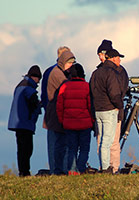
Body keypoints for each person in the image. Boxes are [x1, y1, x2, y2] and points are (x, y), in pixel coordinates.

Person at [90, 48, 125, 173]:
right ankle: (107, 169)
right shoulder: (112, 73)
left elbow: (92, 91)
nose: (120, 60)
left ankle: (103, 166)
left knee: (101, 141)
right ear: (113, 58)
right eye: (118, 57)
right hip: (109, 110)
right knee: (108, 141)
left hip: (98, 110)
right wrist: (119, 105)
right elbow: (114, 93)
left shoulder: (96, 72)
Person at [56, 63, 93, 175]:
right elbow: (90, 106)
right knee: (84, 149)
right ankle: (81, 169)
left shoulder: (64, 87)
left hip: (69, 123)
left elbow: (59, 106)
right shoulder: (87, 86)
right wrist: (92, 120)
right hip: (85, 123)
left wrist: (62, 120)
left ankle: (72, 170)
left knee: (72, 148)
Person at [8, 65, 42, 177]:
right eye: (39, 79)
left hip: (18, 123)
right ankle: (25, 172)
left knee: (21, 148)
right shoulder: (28, 88)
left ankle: (22, 171)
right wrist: (39, 105)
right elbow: (33, 103)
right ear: (35, 77)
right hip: (24, 123)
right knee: (27, 149)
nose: (38, 83)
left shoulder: (20, 85)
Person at [41, 46, 70, 174]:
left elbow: (43, 93)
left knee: (53, 144)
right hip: (60, 110)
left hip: (50, 111)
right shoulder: (62, 73)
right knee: (63, 143)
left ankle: (55, 169)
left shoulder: (48, 71)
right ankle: (62, 169)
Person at [45, 50, 75, 175]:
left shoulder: (57, 72)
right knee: (59, 144)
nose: (70, 66)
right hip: (56, 113)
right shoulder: (57, 74)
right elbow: (67, 88)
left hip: (54, 112)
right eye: (69, 63)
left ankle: (58, 169)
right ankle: (59, 170)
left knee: (58, 143)